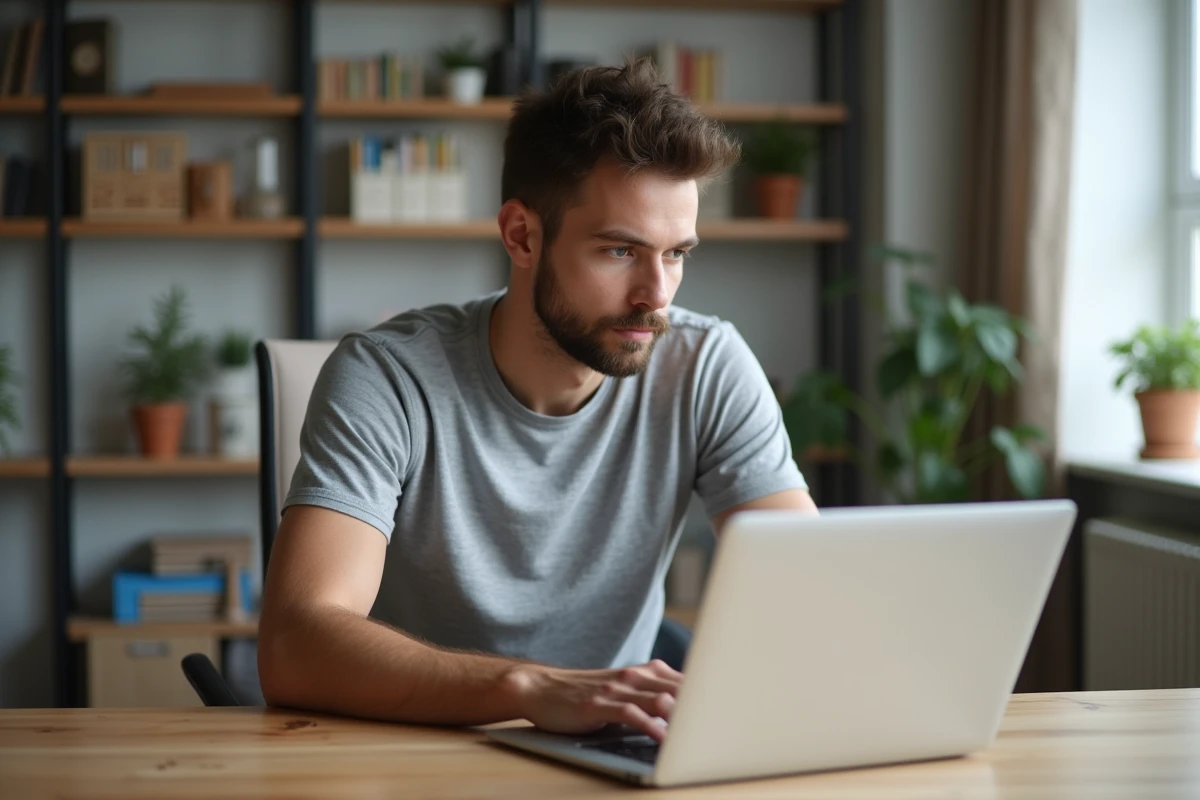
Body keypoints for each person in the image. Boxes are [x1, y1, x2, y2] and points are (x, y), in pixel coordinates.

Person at [258, 59, 818, 742]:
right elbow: (295, 645)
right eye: (620, 252)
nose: (658, 295)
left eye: (677, 254)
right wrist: (527, 688)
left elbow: (805, 592)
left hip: (618, 753)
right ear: (521, 235)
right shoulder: (388, 377)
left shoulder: (704, 365)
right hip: (415, 751)